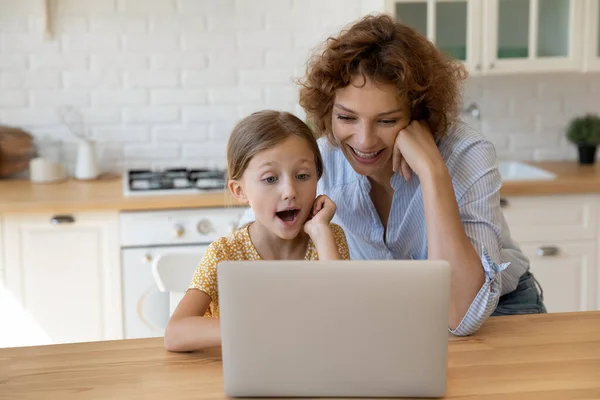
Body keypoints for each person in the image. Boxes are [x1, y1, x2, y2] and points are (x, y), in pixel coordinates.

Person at [245, 14, 546, 336]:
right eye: (347, 117)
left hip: (499, 313)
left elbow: (462, 316)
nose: (364, 140)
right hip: (392, 315)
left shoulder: (465, 153)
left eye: (387, 121)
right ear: (327, 111)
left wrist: (433, 172)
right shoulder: (316, 159)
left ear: (419, 115)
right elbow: (252, 245)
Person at [164, 110, 351, 352]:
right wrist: (261, 327)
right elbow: (175, 333)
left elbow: (347, 319)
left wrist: (320, 232)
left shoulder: (329, 238)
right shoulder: (225, 254)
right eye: (270, 179)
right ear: (240, 191)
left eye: (303, 176)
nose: (289, 191)